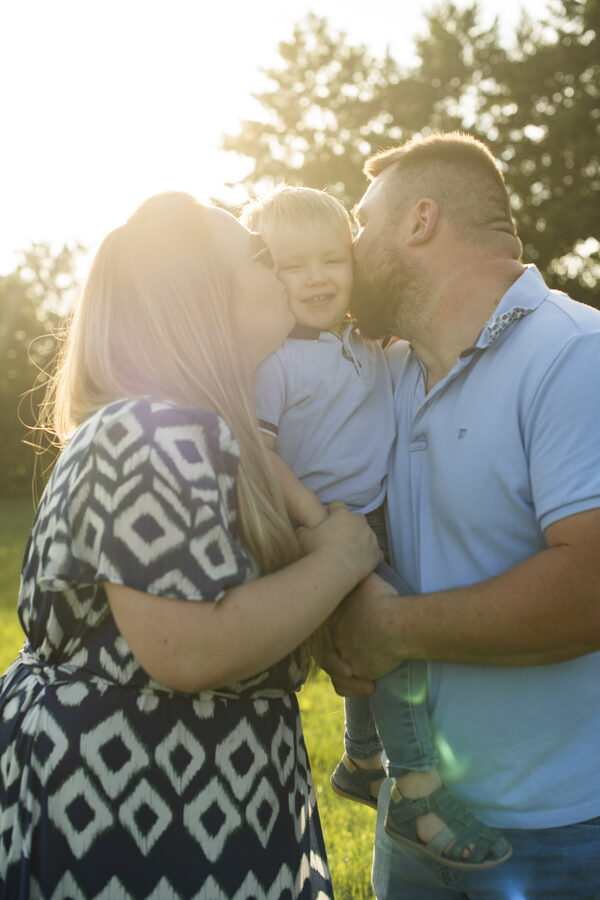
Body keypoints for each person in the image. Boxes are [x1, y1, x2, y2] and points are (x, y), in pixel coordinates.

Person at [0, 192, 383, 899]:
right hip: (130, 806)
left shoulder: (205, 432)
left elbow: (233, 605)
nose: (281, 271)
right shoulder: (143, 430)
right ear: (204, 297)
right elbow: (185, 647)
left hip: (198, 788)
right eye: (260, 257)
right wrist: (338, 561)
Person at [326, 132, 600, 898]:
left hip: (560, 836)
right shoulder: (388, 373)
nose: (348, 246)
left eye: (360, 220)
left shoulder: (575, 356)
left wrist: (387, 630)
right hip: (415, 825)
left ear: (418, 222)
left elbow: (592, 587)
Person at [242, 184, 510, 872]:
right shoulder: (273, 363)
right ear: (262, 275)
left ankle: (362, 758)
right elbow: (255, 455)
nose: (315, 278)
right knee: (396, 637)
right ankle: (416, 786)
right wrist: (319, 526)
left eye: (331, 259)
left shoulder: (368, 347)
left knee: (373, 646)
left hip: (373, 522)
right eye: (290, 265)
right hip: (322, 531)